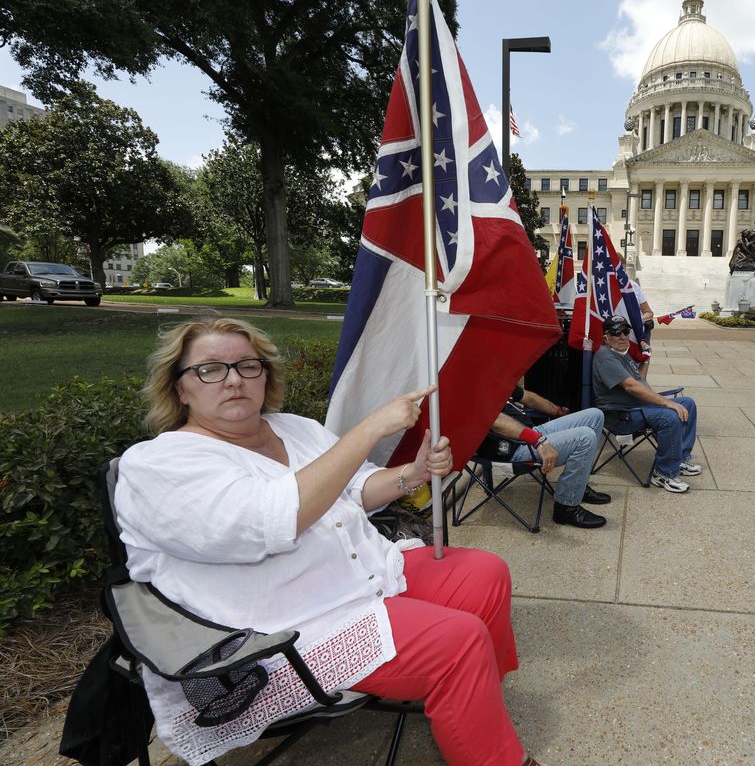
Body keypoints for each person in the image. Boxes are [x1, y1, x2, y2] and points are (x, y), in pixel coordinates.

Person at [114, 318, 542, 766]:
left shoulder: (294, 429)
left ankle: (476, 704)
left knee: (485, 573)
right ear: (180, 388)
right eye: (209, 369)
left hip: (361, 574)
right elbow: (273, 520)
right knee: (458, 640)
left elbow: (355, 488)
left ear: (266, 375)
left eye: (248, 365)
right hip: (283, 628)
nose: (234, 379)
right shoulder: (158, 464)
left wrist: (410, 475)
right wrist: (369, 430)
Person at [591, 315, 701, 493]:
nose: (623, 336)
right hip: (621, 415)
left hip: (638, 408)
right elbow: (631, 387)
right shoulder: (606, 357)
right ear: (606, 337)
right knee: (669, 416)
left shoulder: (622, 355)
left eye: (626, 331)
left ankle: (679, 459)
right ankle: (664, 473)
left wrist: (647, 357)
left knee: (687, 403)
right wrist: (666, 403)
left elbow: (640, 380)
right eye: (616, 332)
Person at [485, 385, 611, 529]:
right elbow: (495, 421)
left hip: (531, 432)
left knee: (595, 415)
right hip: (513, 448)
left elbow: (528, 398)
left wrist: (556, 410)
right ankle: (566, 508)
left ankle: (577, 487)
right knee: (585, 437)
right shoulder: (469, 391)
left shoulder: (492, 380)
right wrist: (538, 440)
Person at [617, 253, 655, 378]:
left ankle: (641, 387)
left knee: (637, 371)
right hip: (615, 336)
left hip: (635, 334)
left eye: (621, 268)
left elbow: (648, 312)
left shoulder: (633, 286)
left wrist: (637, 320)